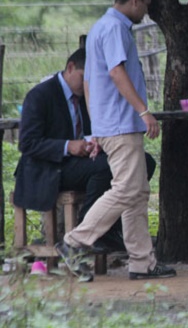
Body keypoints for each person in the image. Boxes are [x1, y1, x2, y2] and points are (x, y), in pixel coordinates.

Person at [55, 0, 176, 282]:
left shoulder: (102, 27)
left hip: (111, 123)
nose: (146, 11)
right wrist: (144, 111)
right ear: (135, 0)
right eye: (146, 4)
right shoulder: (114, 29)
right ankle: (75, 241)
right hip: (122, 124)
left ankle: (141, 261)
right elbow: (115, 72)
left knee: (137, 192)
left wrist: (95, 128)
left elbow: (88, 81)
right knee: (127, 190)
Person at [13, 48, 156, 252]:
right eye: (83, 77)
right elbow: (27, 144)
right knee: (106, 169)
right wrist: (67, 146)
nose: (88, 83)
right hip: (49, 167)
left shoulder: (88, 96)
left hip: (81, 162)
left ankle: (105, 230)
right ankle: (89, 233)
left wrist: (95, 142)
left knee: (142, 162)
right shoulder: (40, 95)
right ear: (70, 68)